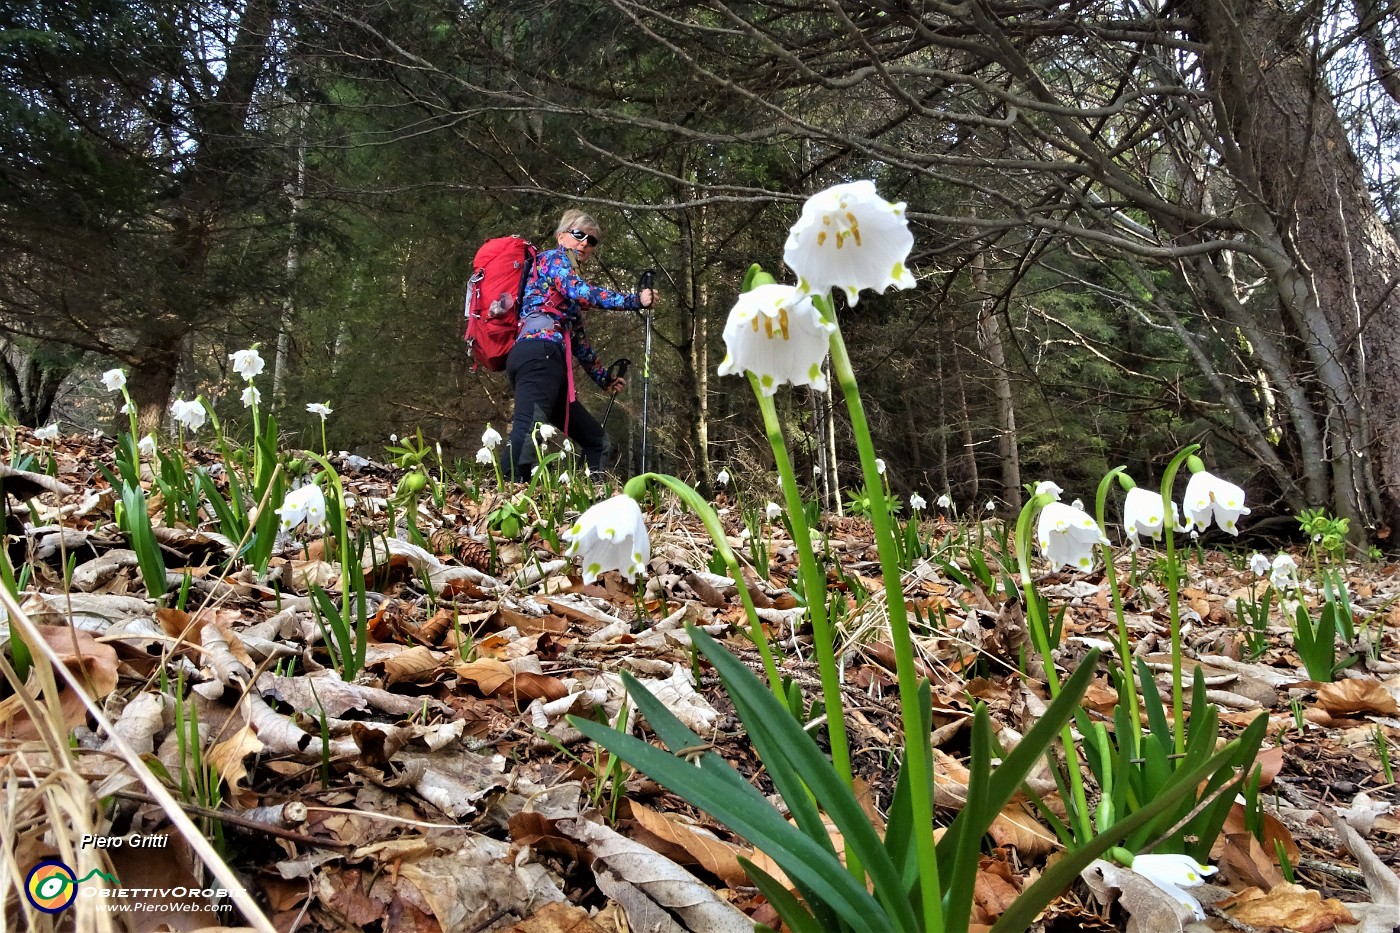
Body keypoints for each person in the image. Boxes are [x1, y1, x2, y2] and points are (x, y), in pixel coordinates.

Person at [504, 209, 655, 479]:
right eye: (579, 235)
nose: (585, 242)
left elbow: (580, 343)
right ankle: (505, 500)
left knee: (598, 442)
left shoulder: (563, 295)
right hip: (539, 355)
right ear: (561, 236)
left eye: (592, 240)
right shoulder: (552, 260)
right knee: (528, 431)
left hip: (550, 366)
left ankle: (588, 504)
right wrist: (634, 300)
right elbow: (582, 292)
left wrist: (604, 380)